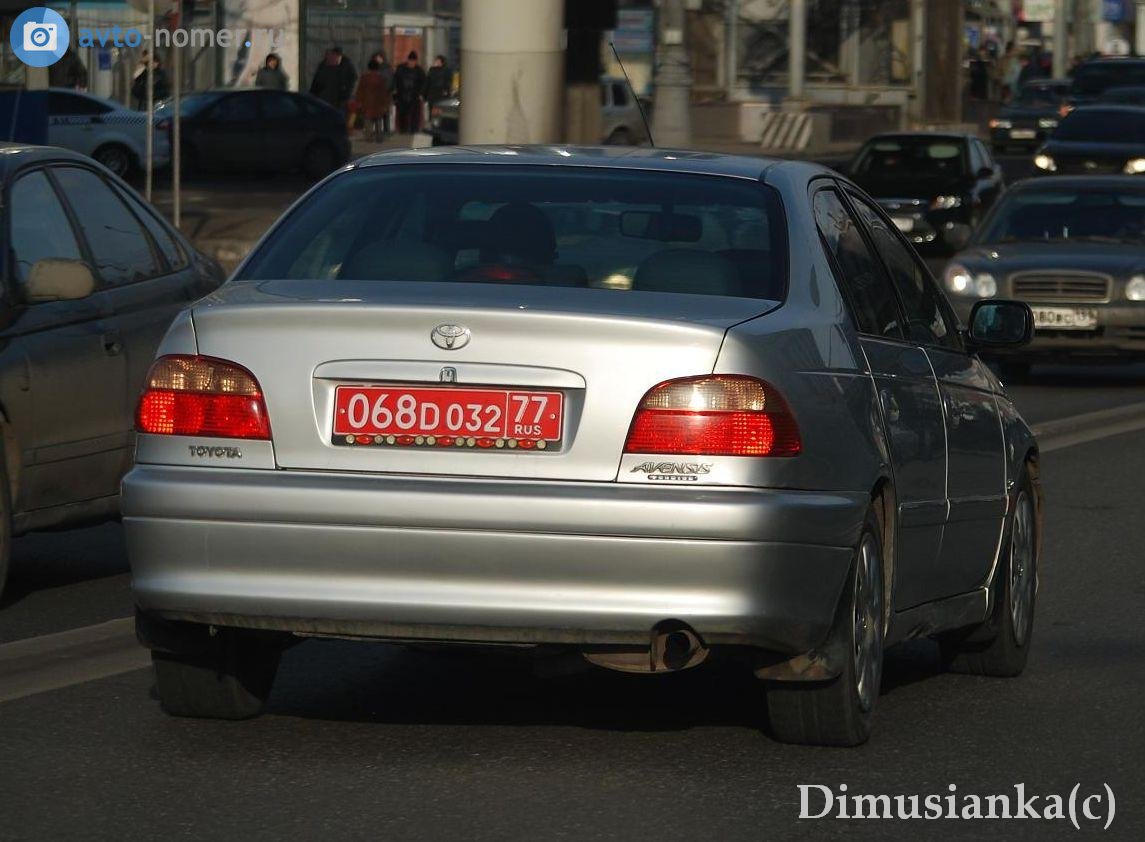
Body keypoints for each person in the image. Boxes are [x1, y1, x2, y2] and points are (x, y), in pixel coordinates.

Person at [354, 59, 392, 141]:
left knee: (368, 121)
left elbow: (360, 91)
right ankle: (379, 136)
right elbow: (384, 92)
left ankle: (369, 136)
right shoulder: (381, 78)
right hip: (378, 104)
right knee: (378, 121)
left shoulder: (364, 78)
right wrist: (386, 104)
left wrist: (359, 101)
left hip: (367, 103)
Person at [309, 46, 357, 112]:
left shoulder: (346, 65)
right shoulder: (323, 65)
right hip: (324, 98)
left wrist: (346, 95)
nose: (330, 58)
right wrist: (312, 95)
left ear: (338, 56)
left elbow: (353, 79)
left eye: (332, 56)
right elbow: (316, 82)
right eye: (328, 55)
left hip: (339, 99)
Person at [392, 50, 427, 134]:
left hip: (414, 94)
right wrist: (395, 91)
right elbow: (395, 80)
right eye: (411, 61)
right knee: (402, 113)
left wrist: (421, 93)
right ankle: (403, 129)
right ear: (408, 60)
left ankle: (413, 129)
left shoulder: (419, 71)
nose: (412, 63)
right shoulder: (400, 69)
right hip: (402, 94)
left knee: (415, 114)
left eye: (414, 61)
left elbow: (424, 83)